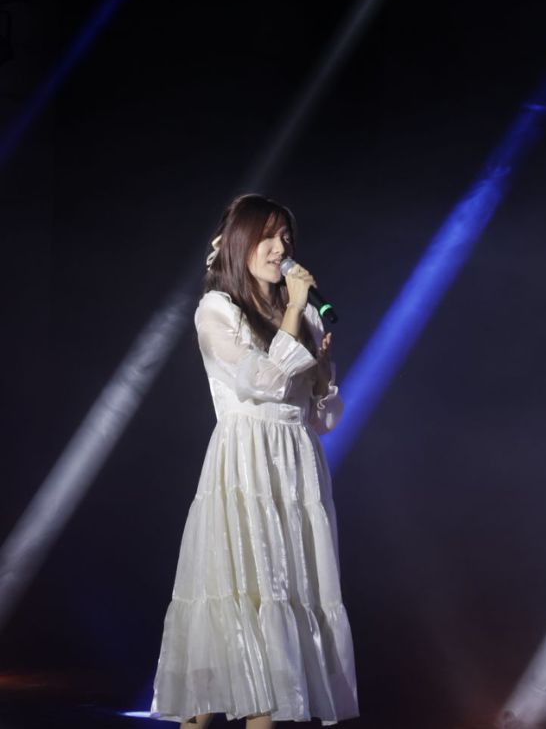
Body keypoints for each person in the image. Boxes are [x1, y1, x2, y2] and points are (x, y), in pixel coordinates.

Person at [151, 194, 358, 727]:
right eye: (267, 236)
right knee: (237, 600)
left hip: (295, 465)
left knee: (285, 604)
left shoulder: (304, 313)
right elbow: (264, 382)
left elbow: (324, 419)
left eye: (285, 237)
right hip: (245, 463)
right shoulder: (217, 310)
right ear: (240, 242)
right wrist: (294, 310)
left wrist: (323, 369)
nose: (280, 248)